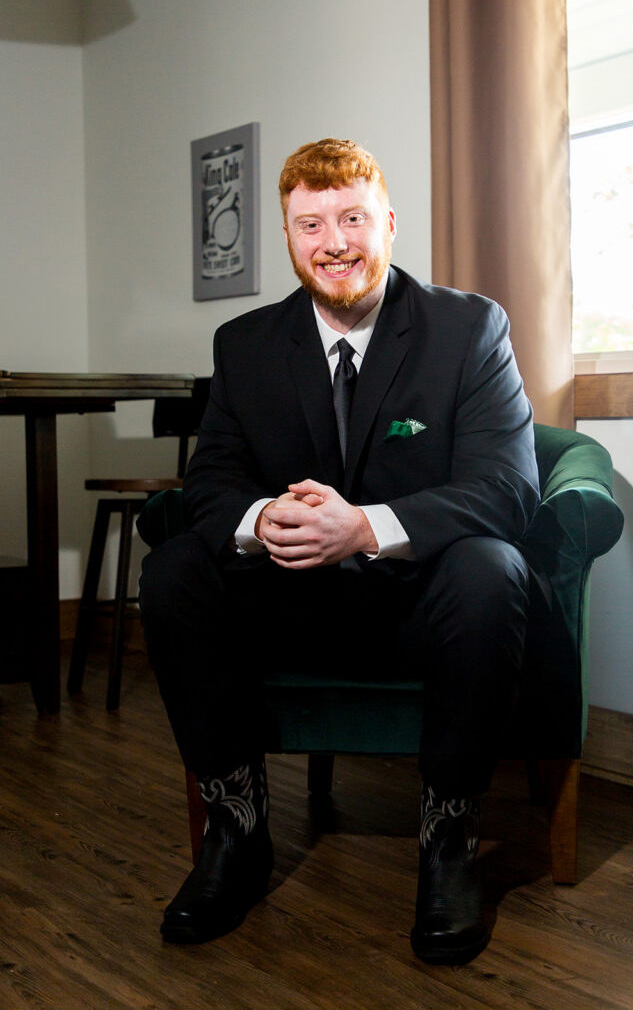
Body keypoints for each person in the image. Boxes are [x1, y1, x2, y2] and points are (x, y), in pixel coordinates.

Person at [139, 138, 539, 965]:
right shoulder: (243, 344)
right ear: (288, 238)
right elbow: (208, 482)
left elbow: (507, 489)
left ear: (387, 224)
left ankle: (449, 841)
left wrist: (364, 526)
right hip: (283, 600)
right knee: (174, 566)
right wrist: (260, 519)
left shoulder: (468, 327)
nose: (334, 242)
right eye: (310, 223)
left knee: (491, 567)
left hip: (416, 606)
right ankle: (235, 831)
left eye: (352, 218)